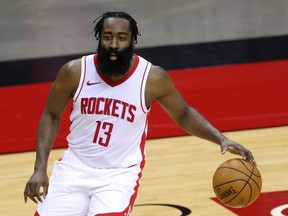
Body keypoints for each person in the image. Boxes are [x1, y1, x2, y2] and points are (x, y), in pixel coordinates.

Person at [24, 11, 256, 216]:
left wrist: (221, 138)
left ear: (132, 40)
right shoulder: (75, 72)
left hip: (119, 176)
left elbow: (183, 114)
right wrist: (39, 168)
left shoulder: (151, 78)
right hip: (74, 169)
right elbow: (51, 115)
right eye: (108, 37)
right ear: (100, 39)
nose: (114, 44)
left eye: (121, 38)